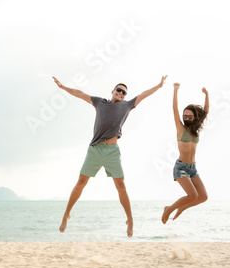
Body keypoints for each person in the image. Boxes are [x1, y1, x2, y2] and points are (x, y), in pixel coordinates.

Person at [54, 75, 167, 237]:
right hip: (95, 149)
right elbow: (80, 93)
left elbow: (143, 95)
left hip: (112, 151)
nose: (121, 93)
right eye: (119, 90)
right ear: (113, 91)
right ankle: (66, 215)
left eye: (124, 92)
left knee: (121, 185)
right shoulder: (100, 102)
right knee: (81, 182)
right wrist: (64, 88)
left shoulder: (127, 106)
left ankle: (130, 220)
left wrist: (159, 85)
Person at [162, 83, 209, 223]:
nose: (186, 118)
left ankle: (181, 208)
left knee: (203, 197)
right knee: (192, 195)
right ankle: (168, 209)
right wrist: (175, 91)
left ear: (195, 117)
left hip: (193, 168)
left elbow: (205, 112)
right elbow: (174, 109)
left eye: (189, 116)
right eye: (185, 116)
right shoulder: (180, 128)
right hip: (181, 167)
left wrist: (207, 95)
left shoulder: (196, 131)